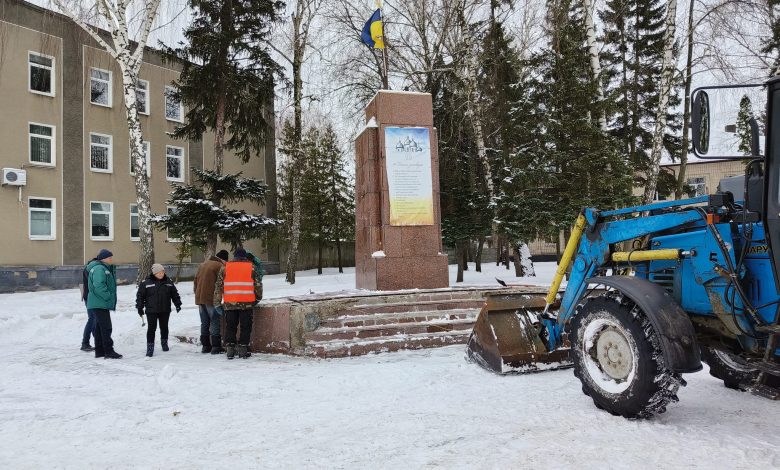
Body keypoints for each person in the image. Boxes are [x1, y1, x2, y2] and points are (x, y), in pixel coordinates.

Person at [214, 248, 262, 359]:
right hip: (247, 303)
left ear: (234, 256)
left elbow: (218, 287)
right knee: (246, 326)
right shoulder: (252, 268)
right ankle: (243, 350)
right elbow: (258, 285)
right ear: (245, 257)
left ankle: (230, 350)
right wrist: (258, 299)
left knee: (230, 326)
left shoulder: (225, 268)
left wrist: (217, 303)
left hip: (230, 303)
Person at [136, 264, 182, 357]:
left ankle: (164, 343)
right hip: (151, 310)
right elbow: (140, 296)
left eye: (162, 272)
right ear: (154, 273)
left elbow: (174, 294)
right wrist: (140, 308)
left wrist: (177, 304)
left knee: (164, 327)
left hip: (165, 310)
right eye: (158, 273)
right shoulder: (146, 282)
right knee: (151, 329)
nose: (161, 274)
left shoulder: (168, 281)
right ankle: (150, 347)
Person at [86, 249, 122, 359]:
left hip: (98, 302)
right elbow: (99, 285)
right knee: (106, 327)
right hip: (100, 302)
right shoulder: (99, 269)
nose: (111, 259)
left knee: (99, 327)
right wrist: (108, 297)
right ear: (104, 258)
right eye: (109, 257)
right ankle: (108, 351)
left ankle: (100, 351)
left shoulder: (100, 268)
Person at [194, 249, 229, 354]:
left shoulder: (202, 265)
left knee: (204, 323)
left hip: (200, 299)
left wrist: (197, 294)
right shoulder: (219, 266)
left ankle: (205, 346)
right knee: (214, 321)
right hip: (211, 299)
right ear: (223, 259)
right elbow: (222, 283)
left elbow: (195, 282)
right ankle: (215, 347)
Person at [79, 254, 99, 352]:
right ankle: (85, 343)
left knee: (94, 319)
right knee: (92, 319)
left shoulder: (92, 267)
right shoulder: (91, 268)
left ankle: (97, 342)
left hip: (91, 297)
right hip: (91, 298)